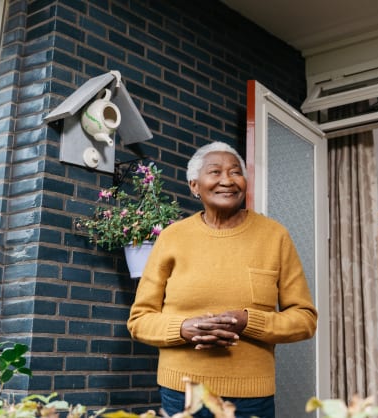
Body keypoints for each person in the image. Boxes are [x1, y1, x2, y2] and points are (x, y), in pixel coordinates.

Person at [127, 141, 318, 418]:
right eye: (215, 172)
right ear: (194, 185)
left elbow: (304, 319)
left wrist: (247, 321)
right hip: (182, 393)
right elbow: (140, 320)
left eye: (235, 172)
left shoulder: (274, 236)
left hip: (251, 398)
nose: (227, 180)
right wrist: (184, 328)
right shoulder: (172, 238)